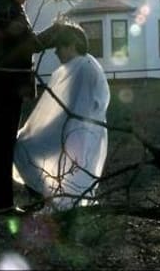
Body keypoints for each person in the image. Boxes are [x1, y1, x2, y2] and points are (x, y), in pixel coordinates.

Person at [0, 0, 57, 216]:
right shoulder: (9, 10)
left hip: (3, 88)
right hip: (7, 88)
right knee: (2, 145)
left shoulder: (6, 8)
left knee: (0, 144)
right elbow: (31, 44)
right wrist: (58, 31)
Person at [12, 21, 110, 211]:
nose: (55, 53)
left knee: (21, 147)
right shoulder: (77, 67)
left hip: (78, 137)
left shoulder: (84, 68)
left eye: (59, 47)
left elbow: (79, 113)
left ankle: (49, 199)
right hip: (71, 132)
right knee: (20, 143)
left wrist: (48, 134)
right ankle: (48, 197)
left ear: (71, 45)